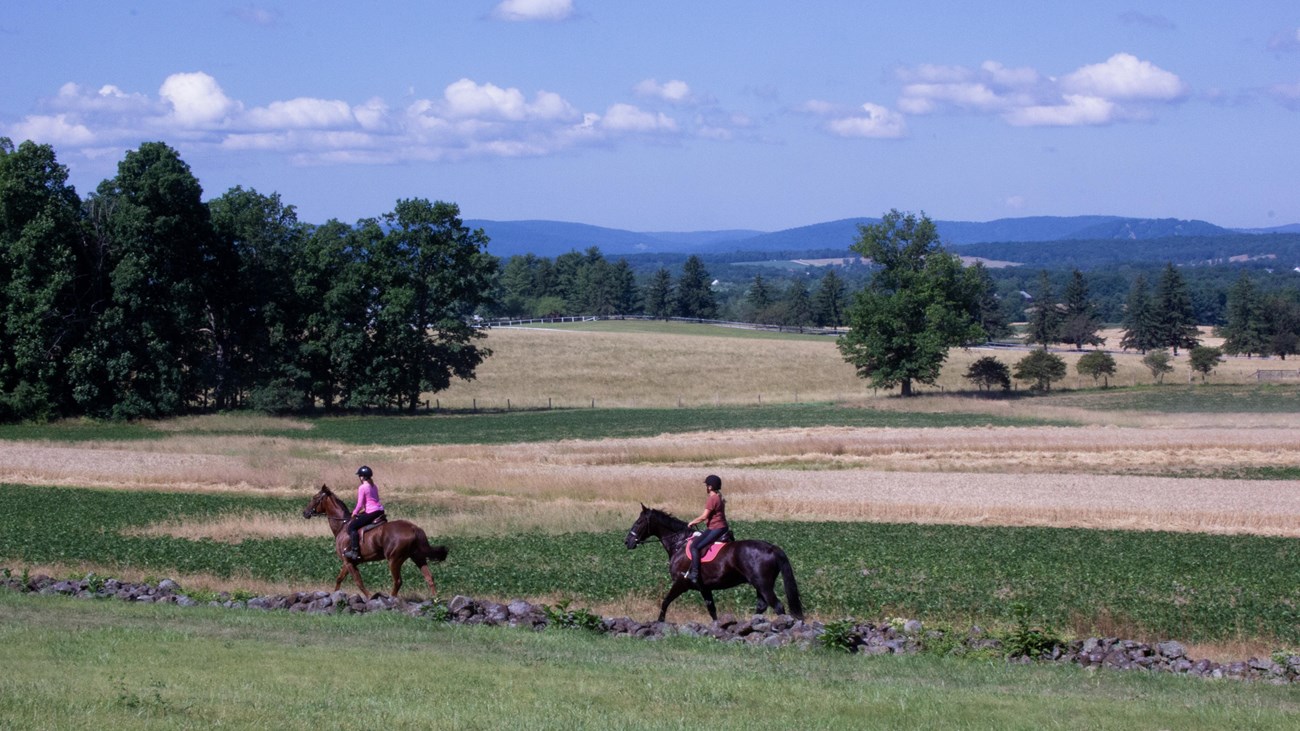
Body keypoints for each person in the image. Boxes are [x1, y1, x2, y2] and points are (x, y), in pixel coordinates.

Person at [684, 474, 729, 583]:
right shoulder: (718, 497)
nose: (706, 488)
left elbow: (704, 516)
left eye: (707, 485)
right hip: (720, 527)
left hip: (716, 528)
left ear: (710, 487)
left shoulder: (712, 499)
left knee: (694, 546)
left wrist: (692, 522)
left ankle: (695, 573)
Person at [343, 465, 385, 561]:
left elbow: (360, 503)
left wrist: (354, 512)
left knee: (352, 527)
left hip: (371, 511)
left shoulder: (362, 487)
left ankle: (355, 551)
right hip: (379, 510)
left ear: (363, 477)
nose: (359, 477)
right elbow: (375, 500)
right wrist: (363, 511)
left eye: (360, 476)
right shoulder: (374, 486)